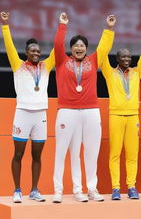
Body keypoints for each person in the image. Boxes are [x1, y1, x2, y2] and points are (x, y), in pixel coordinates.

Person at [52, 12, 116, 203]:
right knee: (64, 151)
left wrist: (109, 29)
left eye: (82, 46)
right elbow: (57, 45)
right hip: (67, 111)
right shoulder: (62, 61)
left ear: (86, 49)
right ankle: (60, 190)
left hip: (90, 111)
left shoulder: (93, 61)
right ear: (71, 49)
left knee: (91, 151)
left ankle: (91, 189)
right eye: (76, 46)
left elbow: (104, 48)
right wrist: (62, 26)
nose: (79, 48)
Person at [0, 12, 55, 203]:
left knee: (37, 156)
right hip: (22, 113)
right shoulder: (18, 65)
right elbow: (9, 47)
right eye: (33, 51)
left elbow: (58, 48)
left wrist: (62, 26)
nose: (36, 54)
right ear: (26, 53)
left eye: (38, 51)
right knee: (18, 154)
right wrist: (5, 25)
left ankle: (34, 190)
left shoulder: (46, 67)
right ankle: (17, 190)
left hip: (40, 115)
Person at [101, 23, 141, 200]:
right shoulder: (109, 73)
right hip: (115, 116)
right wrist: (109, 30)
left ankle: (131, 186)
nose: (126, 59)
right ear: (117, 59)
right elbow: (101, 54)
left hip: (133, 117)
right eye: (123, 57)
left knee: (132, 154)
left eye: (128, 57)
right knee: (115, 154)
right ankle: (116, 188)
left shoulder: (135, 72)